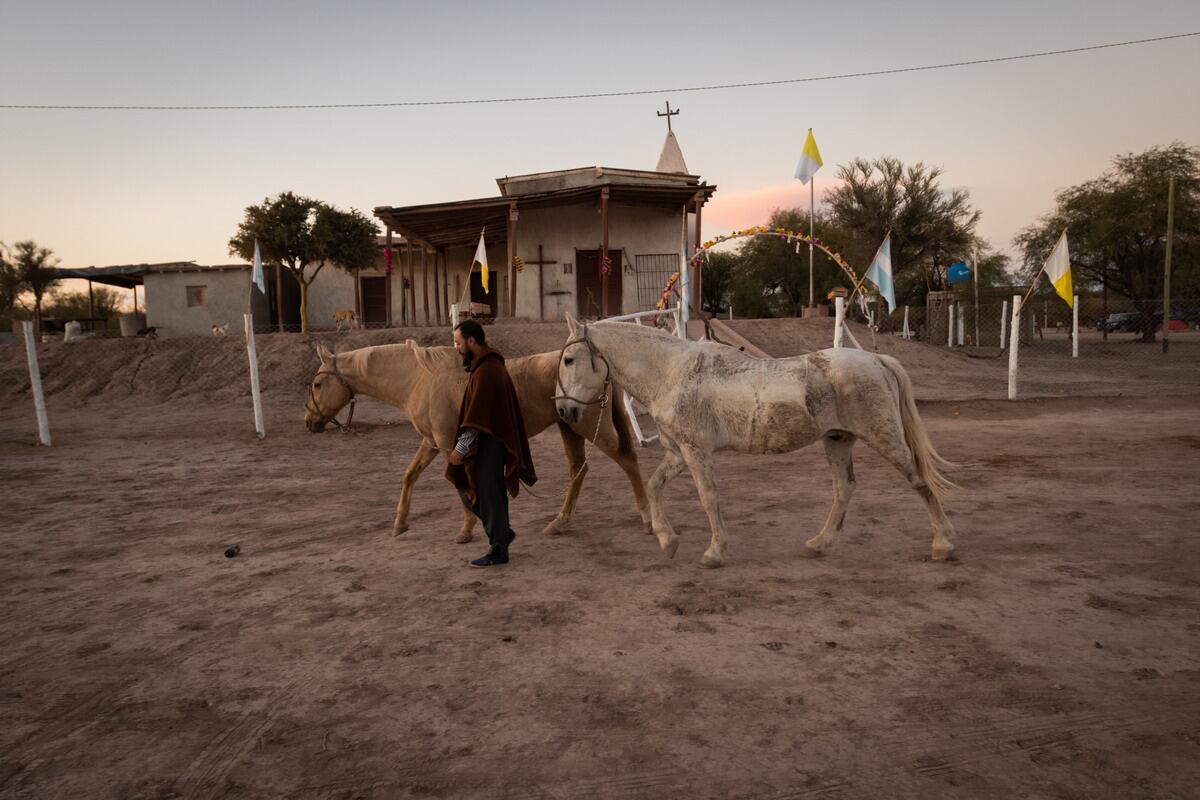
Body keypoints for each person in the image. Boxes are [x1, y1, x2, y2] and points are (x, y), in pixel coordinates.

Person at [445, 320, 537, 567]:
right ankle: (502, 535)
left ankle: (499, 549)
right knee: (483, 492)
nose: (456, 347)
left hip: (489, 444)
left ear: (471, 341)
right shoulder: (486, 366)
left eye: (458, 342)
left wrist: (459, 449)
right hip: (490, 443)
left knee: (488, 494)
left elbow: (477, 417)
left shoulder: (487, 371)